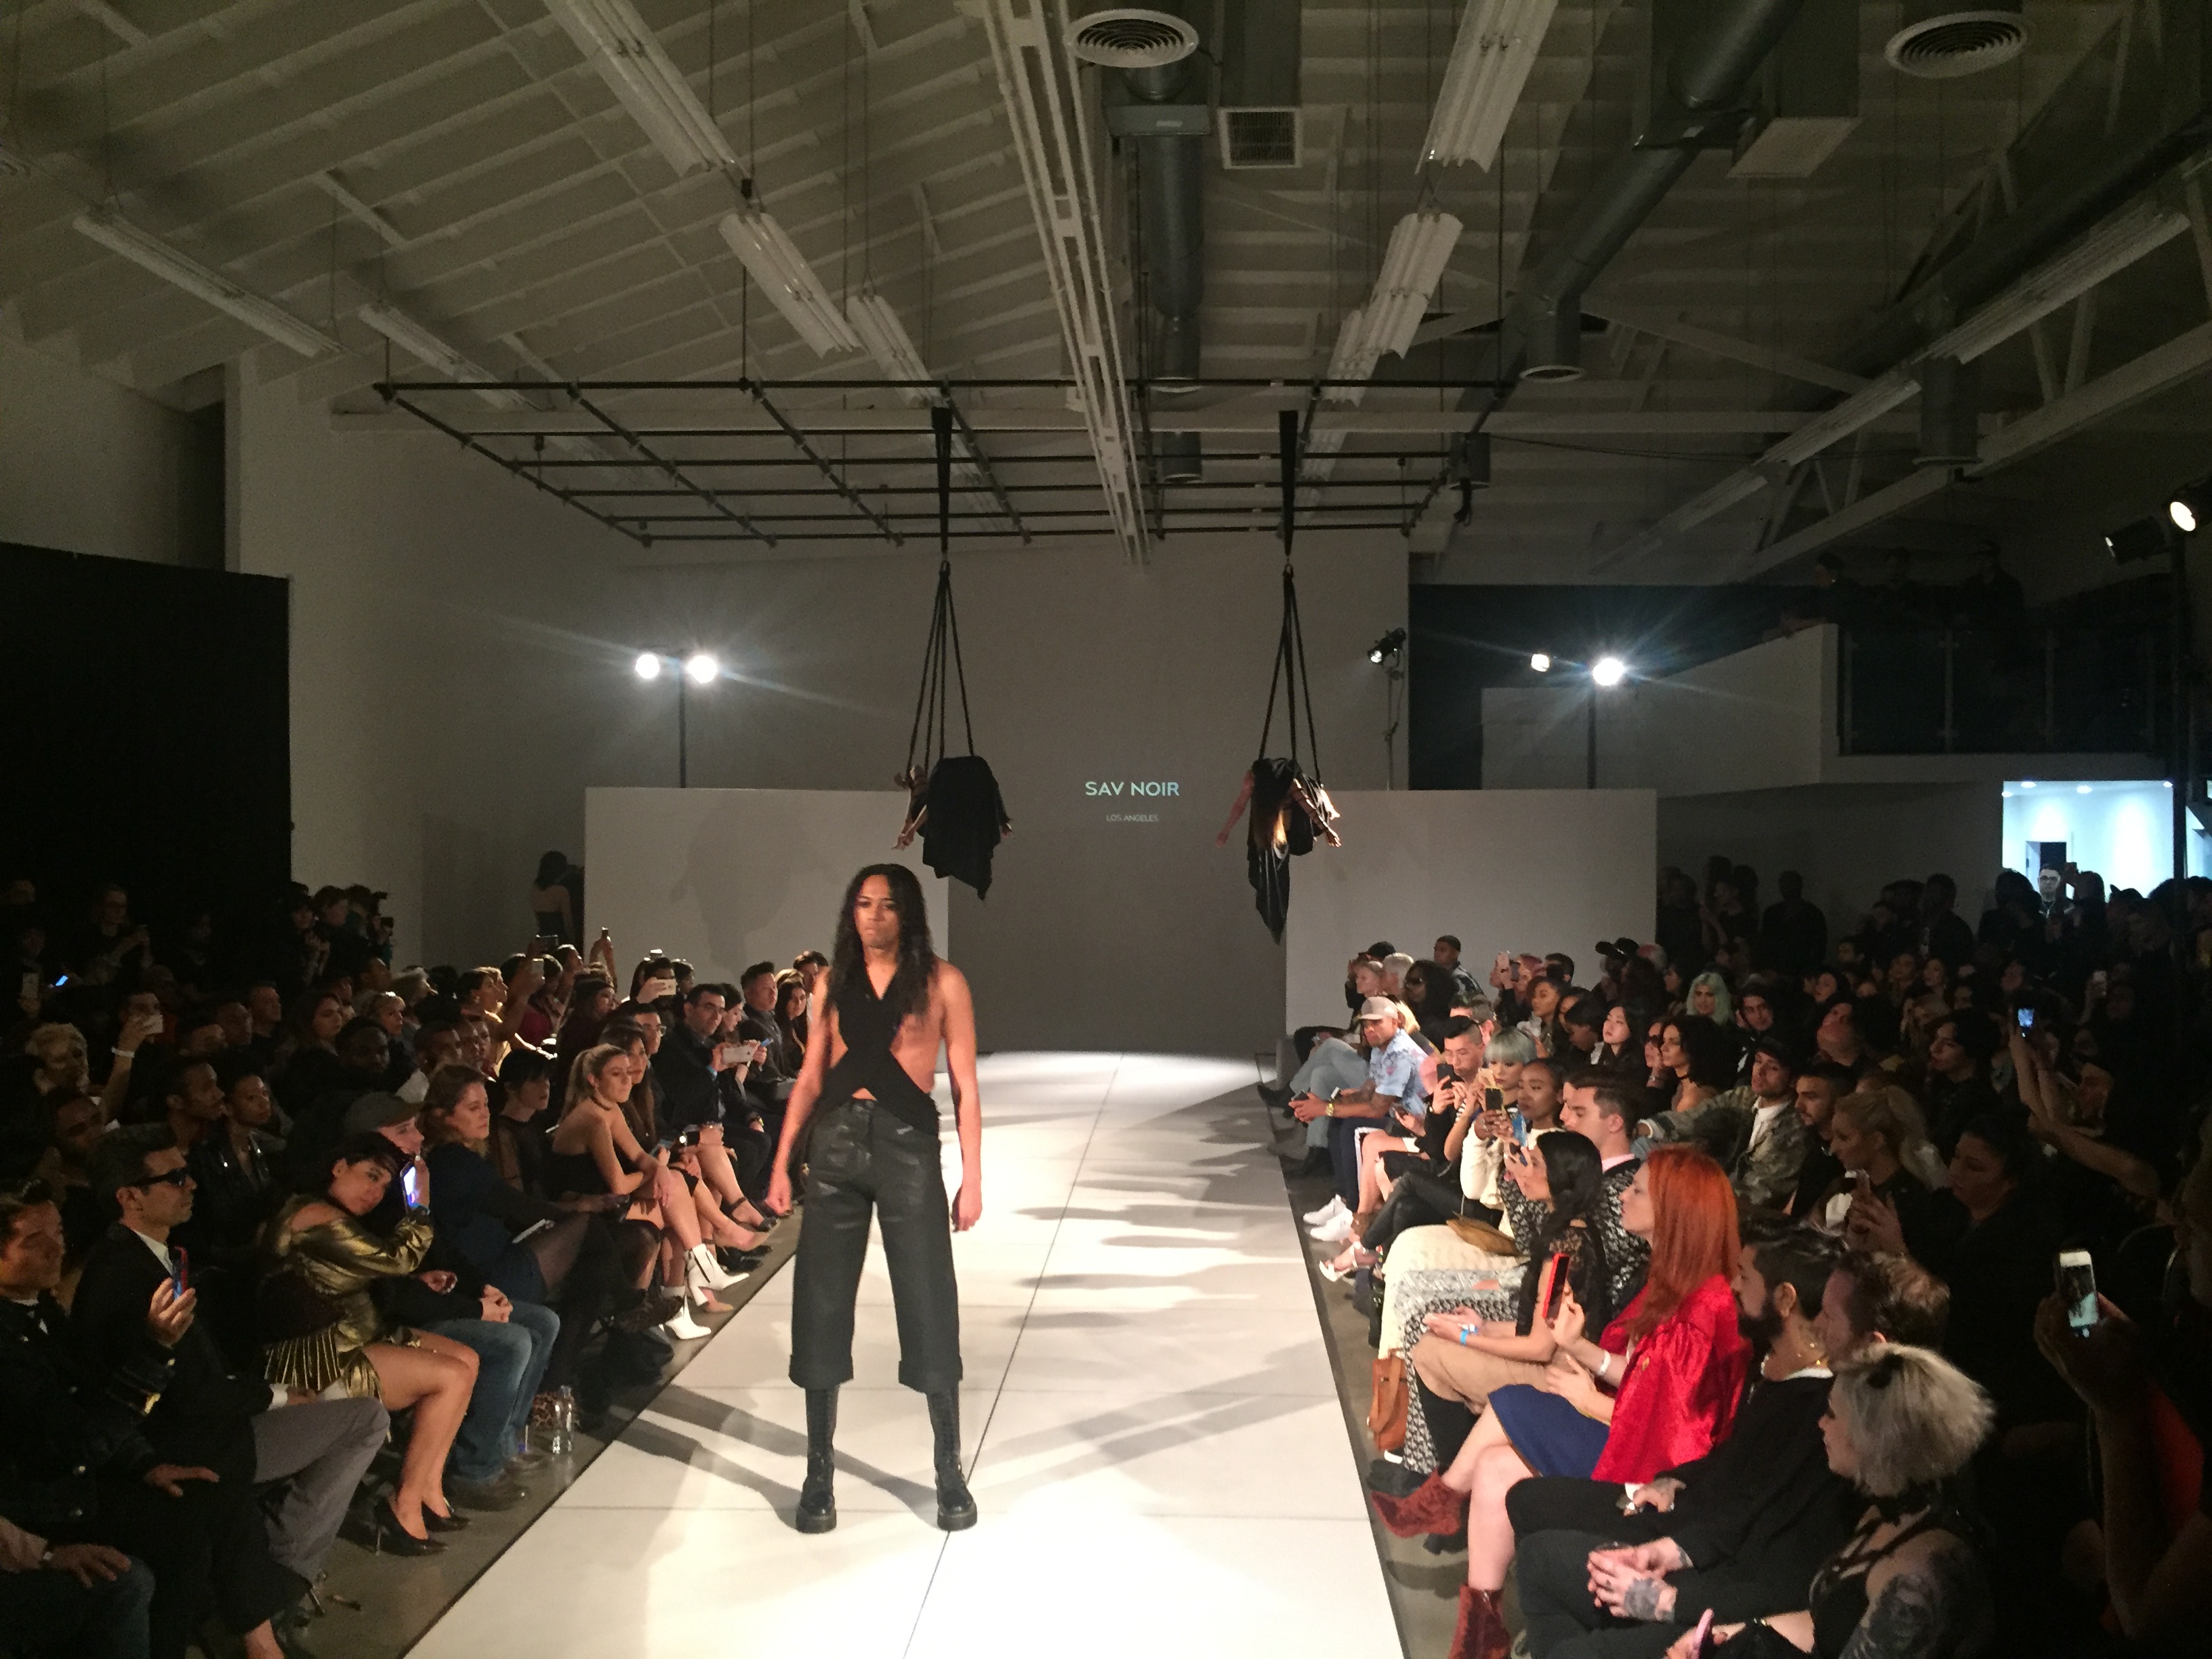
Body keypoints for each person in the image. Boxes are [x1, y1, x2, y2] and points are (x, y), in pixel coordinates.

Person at [1390, 1147, 1749, 1659]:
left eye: (1638, 1190)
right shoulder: (1674, 1283)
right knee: (1494, 1467)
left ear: (1674, 1209)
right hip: (1621, 1426)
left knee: (1514, 1401)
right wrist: (1582, 1350)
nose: (1622, 1195)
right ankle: (1481, 1628)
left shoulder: (1702, 1309)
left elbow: (1675, 1430)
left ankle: (1444, 1497)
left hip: (1651, 1469)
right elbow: (1645, 1378)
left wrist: (1587, 1398)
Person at [68, 1130, 390, 1652]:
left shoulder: (144, 1258)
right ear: (130, 1197)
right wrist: (278, 1395)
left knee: (354, 1407)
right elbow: (188, 1395)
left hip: (206, 1422)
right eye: (174, 1178)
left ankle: (274, 1575)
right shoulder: (129, 1277)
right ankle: (284, 1575)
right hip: (196, 1444)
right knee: (364, 1418)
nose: (191, 1184)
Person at [1509, 1223, 1860, 1658]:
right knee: (1532, 1522)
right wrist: (1674, 1490)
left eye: (1745, 1276)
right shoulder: (1773, 1366)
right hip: (1699, 1528)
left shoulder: (1818, 1416)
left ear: (1785, 1299)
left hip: (1721, 1579)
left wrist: (1670, 1585)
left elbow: (1759, 1543)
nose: (1733, 1286)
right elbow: (1733, 1474)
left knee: (1545, 1562)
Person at [763, 864, 982, 1536]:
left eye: (887, 905)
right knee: (820, 1299)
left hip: (906, 1145)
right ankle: (819, 1471)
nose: (874, 916)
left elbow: (966, 1083)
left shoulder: (943, 982)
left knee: (927, 1295)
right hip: (835, 1142)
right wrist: (781, 1163)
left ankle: (948, 1467)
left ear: (907, 912)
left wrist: (973, 1176)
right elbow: (809, 1077)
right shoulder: (833, 982)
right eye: (863, 904)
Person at [1658, 1347, 1994, 1659]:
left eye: (1832, 1414)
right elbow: (1823, 1627)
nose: (1820, 1423)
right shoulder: (1882, 1511)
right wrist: (1732, 1635)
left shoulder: (1922, 1571)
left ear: (1872, 1436)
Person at [259, 1136, 480, 1553]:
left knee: (466, 1359)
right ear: (339, 1166)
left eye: (383, 1186)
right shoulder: (313, 1214)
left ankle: (428, 1488)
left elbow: (361, 1270)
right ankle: (403, 1505)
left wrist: (415, 1279)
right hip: (321, 1355)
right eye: (370, 1176)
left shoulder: (331, 1215)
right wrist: (419, 1207)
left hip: (358, 1334)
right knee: (450, 1376)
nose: (375, 1192)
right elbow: (394, 1258)